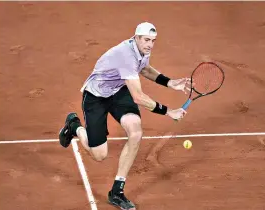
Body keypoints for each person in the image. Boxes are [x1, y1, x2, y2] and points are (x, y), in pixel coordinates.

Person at [59, 22, 190, 210]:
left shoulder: (142, 49)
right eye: (146, 40)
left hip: (118, 91)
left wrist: (170, 83)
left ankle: (117, 192)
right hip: (96, 97)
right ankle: (74, 126)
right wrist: (169, 112)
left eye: (153, 41)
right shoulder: (125, 56)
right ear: (136, 37)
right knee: (99, 154)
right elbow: (138, 97)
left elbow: (145, 69)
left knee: (135, 132)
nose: (150, 44)